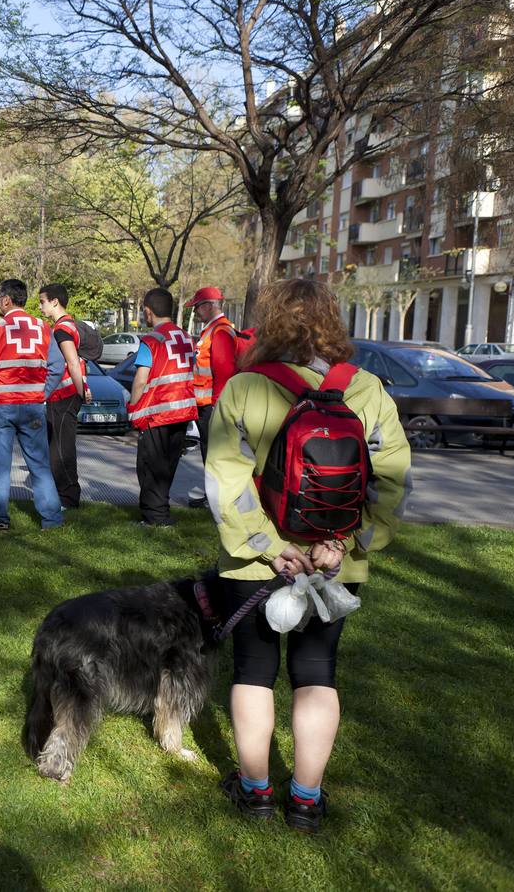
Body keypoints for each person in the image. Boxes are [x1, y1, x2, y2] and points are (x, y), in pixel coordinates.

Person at [208, 278, 409, 834]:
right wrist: (347, 544)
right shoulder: (366, 389)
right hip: (333, 562)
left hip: (255, 564)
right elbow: (392, 482)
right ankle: (305, 799)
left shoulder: (245, 387)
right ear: (332, 322)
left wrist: (271, 549)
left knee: (253, 670)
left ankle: (256, 793)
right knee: (317, 671)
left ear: (268, 322)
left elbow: (225, 482)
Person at [0, 279, 66, 531]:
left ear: (6, 300)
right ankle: (52, 519)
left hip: (0, 404)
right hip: (32, 405)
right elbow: (57, 366)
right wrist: (42, 392)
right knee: (39, 465)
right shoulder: (44, 328)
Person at [127, 287, 198, 527]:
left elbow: (141, 378)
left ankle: (154, 518)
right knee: (168, 465)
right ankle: (161, 512)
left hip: (157, 413)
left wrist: (133, 406)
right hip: (183, 412)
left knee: (149, 466)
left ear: (148, 312)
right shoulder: (187, 338)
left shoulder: (152, 340)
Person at [37, 282, 91, 509]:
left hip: (64, 395)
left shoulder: (61, 328)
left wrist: (81, 392)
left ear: (55, 301)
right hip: (68, 394)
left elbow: (71, 363)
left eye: (42, 302)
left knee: (61, 448)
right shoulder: (71, 324)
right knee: (59, 445)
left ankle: (67, 498)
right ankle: (65, 495)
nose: (40, 307)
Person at [186, 286, 238, 508]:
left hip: (212, 405)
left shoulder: (221, 332)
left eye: (198, 307)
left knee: (214, 454)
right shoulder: (213, 330)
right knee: (209, 452)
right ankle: (212, 496)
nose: (196, 312)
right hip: (205, 403)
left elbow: (224, 372)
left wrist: (218, 405)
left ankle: (216, 499)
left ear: (209, 305)